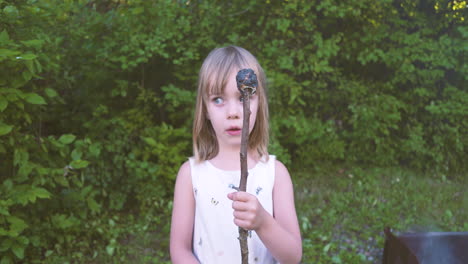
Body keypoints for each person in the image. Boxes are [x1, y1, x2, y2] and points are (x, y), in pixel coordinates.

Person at [169, 46, 302, 264]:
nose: (232, 112)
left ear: (259, 104)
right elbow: (179, 249)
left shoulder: (275, 174)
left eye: (243, 98)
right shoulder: (190, 175)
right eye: (218, 99)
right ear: (205, 109)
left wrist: (262, 222)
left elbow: (293, 256)